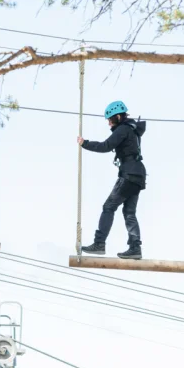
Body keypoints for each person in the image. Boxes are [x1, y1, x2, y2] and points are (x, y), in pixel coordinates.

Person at [78, 101, 147, 260]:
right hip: (138, 175)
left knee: (108, 207)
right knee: (129, 212)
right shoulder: (132, 130)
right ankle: (135, 248)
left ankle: (99, 243)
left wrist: (84, 143)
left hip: (129, 174)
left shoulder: (123, 129)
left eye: (110, 119)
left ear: (118, 116)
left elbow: (106, 146)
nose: (108, 123)